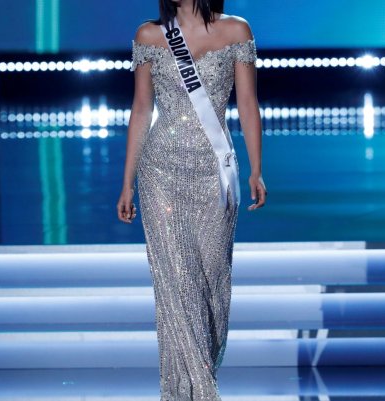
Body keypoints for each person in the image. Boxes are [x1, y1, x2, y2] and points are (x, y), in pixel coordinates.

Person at [116, 0, 267, 399]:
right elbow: (141, 107)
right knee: (177, 284)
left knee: (213, 283)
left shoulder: (237, 31)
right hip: (160, 171)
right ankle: (198, 391)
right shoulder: (148, 35)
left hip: (215, 172)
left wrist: (256, 168)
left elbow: (248, 104)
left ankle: (197, 379)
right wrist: (127, 181)